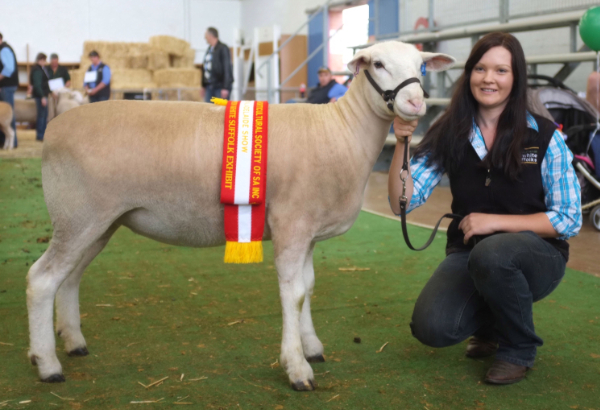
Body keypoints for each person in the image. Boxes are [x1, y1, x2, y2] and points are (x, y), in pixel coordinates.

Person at [388, 32, 581, 385]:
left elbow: (568, 218)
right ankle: (491, 324)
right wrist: (402, 143)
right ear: (469, 75)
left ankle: (518, 348)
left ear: (515, 77)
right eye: (480, 68)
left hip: (538, 256)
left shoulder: (545, 136)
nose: (488, 78)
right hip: (469, 254)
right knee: (431, 327)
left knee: (494, 253)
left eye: (501, 70)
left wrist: (494, 222)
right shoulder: (449, 131)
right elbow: (403, 200)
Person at [201, 27, 233, 102]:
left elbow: (227, 68)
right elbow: (205, 67)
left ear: (210, 36)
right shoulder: (209, 49)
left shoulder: (223, 48)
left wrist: (225, 87)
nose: (205, 38)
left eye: (206, 35)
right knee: (208, 109)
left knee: (220, 110)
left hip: (219, 86)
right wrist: (203, 85)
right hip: (209, 86)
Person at [0, 32, 18, 148]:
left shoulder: (4, 49)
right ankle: (5, 142)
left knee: (7, 114)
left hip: (7, 86)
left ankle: (13, 142)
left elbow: (9, 68)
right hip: (5, 86)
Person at [30, 52, 50, 142]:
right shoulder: (37, 70)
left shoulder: (40, 69)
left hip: (43, 95)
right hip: (40, 96)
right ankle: (40, 135)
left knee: (44, 115)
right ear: (40, 60)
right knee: (41, 116)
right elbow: (37, 85)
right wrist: (42, 96)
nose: (45, 62)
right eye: (44, 60)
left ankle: (43, 134)